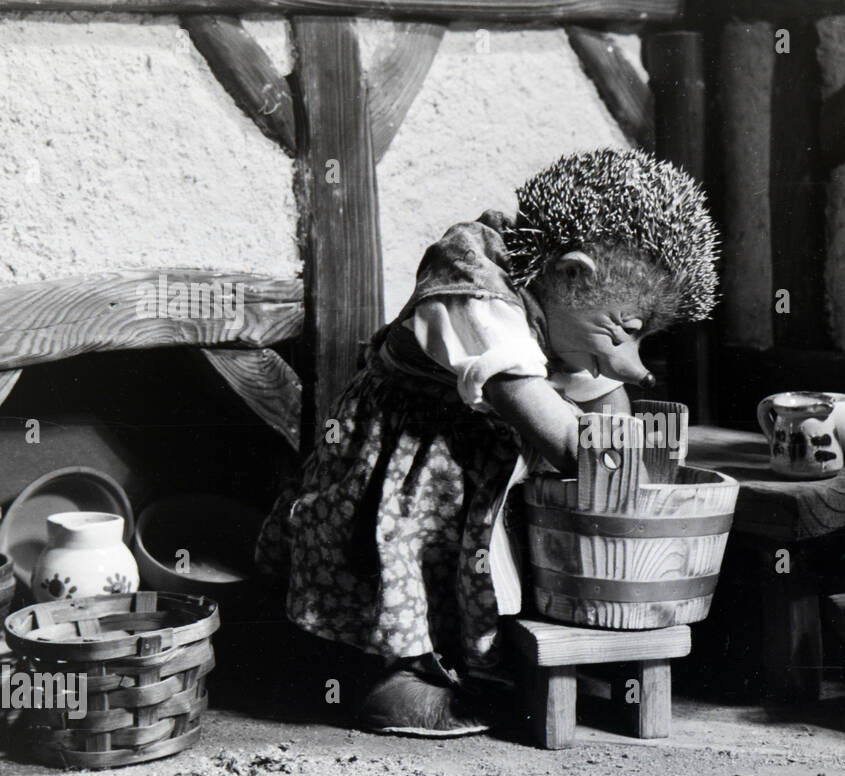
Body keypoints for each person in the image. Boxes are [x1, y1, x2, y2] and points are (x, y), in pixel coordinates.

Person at [257, 148, 719, 737]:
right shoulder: (475, 289)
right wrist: (616, 470)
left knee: (472, 564)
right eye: (625, 332)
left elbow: (600, 390)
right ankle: (386, 679)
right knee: (404, 555)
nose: (634, 357)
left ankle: (471, 664)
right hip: (409, 456)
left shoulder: (566, 306)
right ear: (573, 273)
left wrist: (617, 427)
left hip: (478, 458)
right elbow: (531, 408)